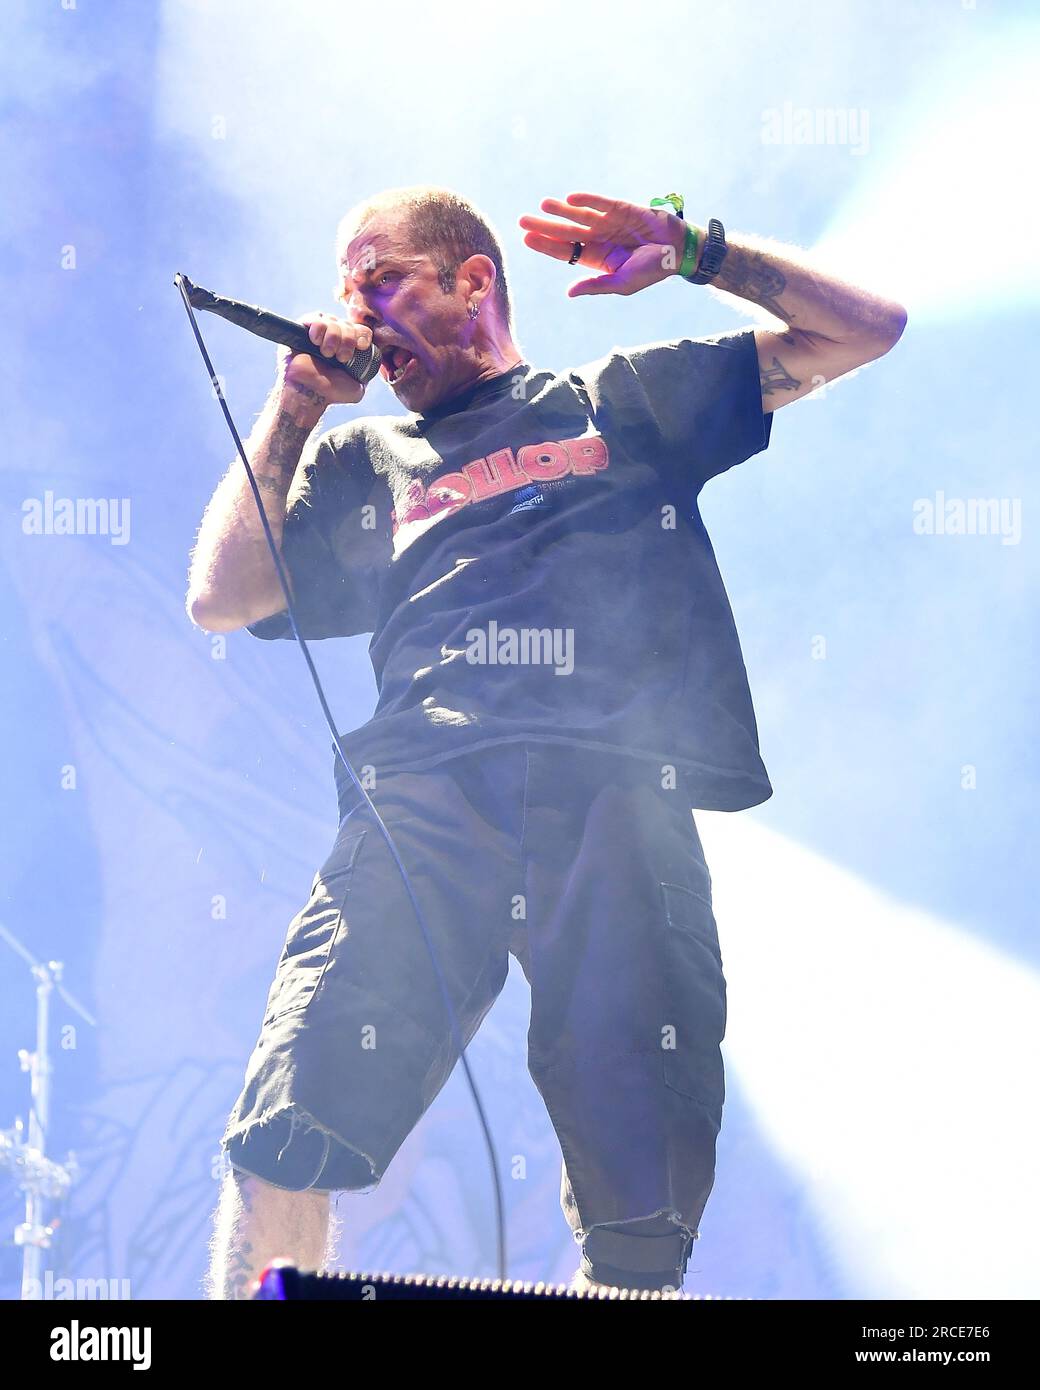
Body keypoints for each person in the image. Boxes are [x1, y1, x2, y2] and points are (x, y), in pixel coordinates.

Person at [187, 185, 906, 1298]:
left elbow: (865, 328)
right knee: (291, 1111)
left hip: (617, 790)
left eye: (379, 280)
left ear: (472, 281)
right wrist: (293, 408)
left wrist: (692, 250)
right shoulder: (366, 461)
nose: (358, 313)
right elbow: (221, 598)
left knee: (643, 1194)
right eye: (344, 291)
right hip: (423, 792)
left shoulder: (617, 401)